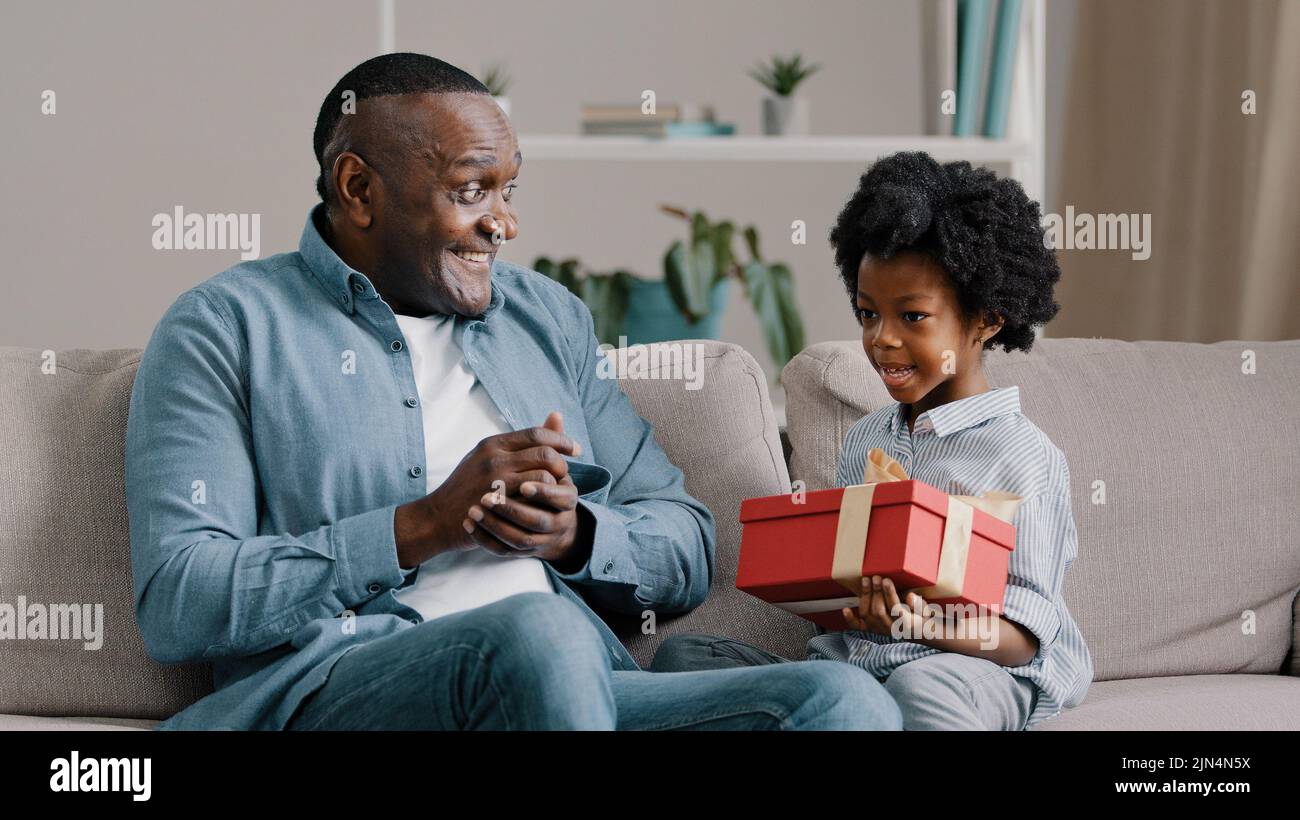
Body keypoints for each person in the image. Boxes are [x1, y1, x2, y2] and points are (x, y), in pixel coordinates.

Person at [125, 52, 900, 731]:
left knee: (842, 702)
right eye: (471, 191)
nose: (505, 223)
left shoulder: (545, 318)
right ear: (358, 188)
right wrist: (424, 525)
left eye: (509, 189)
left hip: (576, 693)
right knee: (538, 636)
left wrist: (573, 534)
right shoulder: (224, 327)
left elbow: (684, 537)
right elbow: (182, 598)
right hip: (345, 688)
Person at [652, 152, 1094, 730]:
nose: (880, 339)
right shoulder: (865, 440)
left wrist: (920, 626)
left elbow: (1023, 640)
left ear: (985, 319)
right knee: (685, 659)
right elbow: (839, 596)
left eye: (912, 317)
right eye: (867, 314)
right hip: (862, 670)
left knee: (921, 685)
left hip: (970, 670)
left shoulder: (1021, 456)